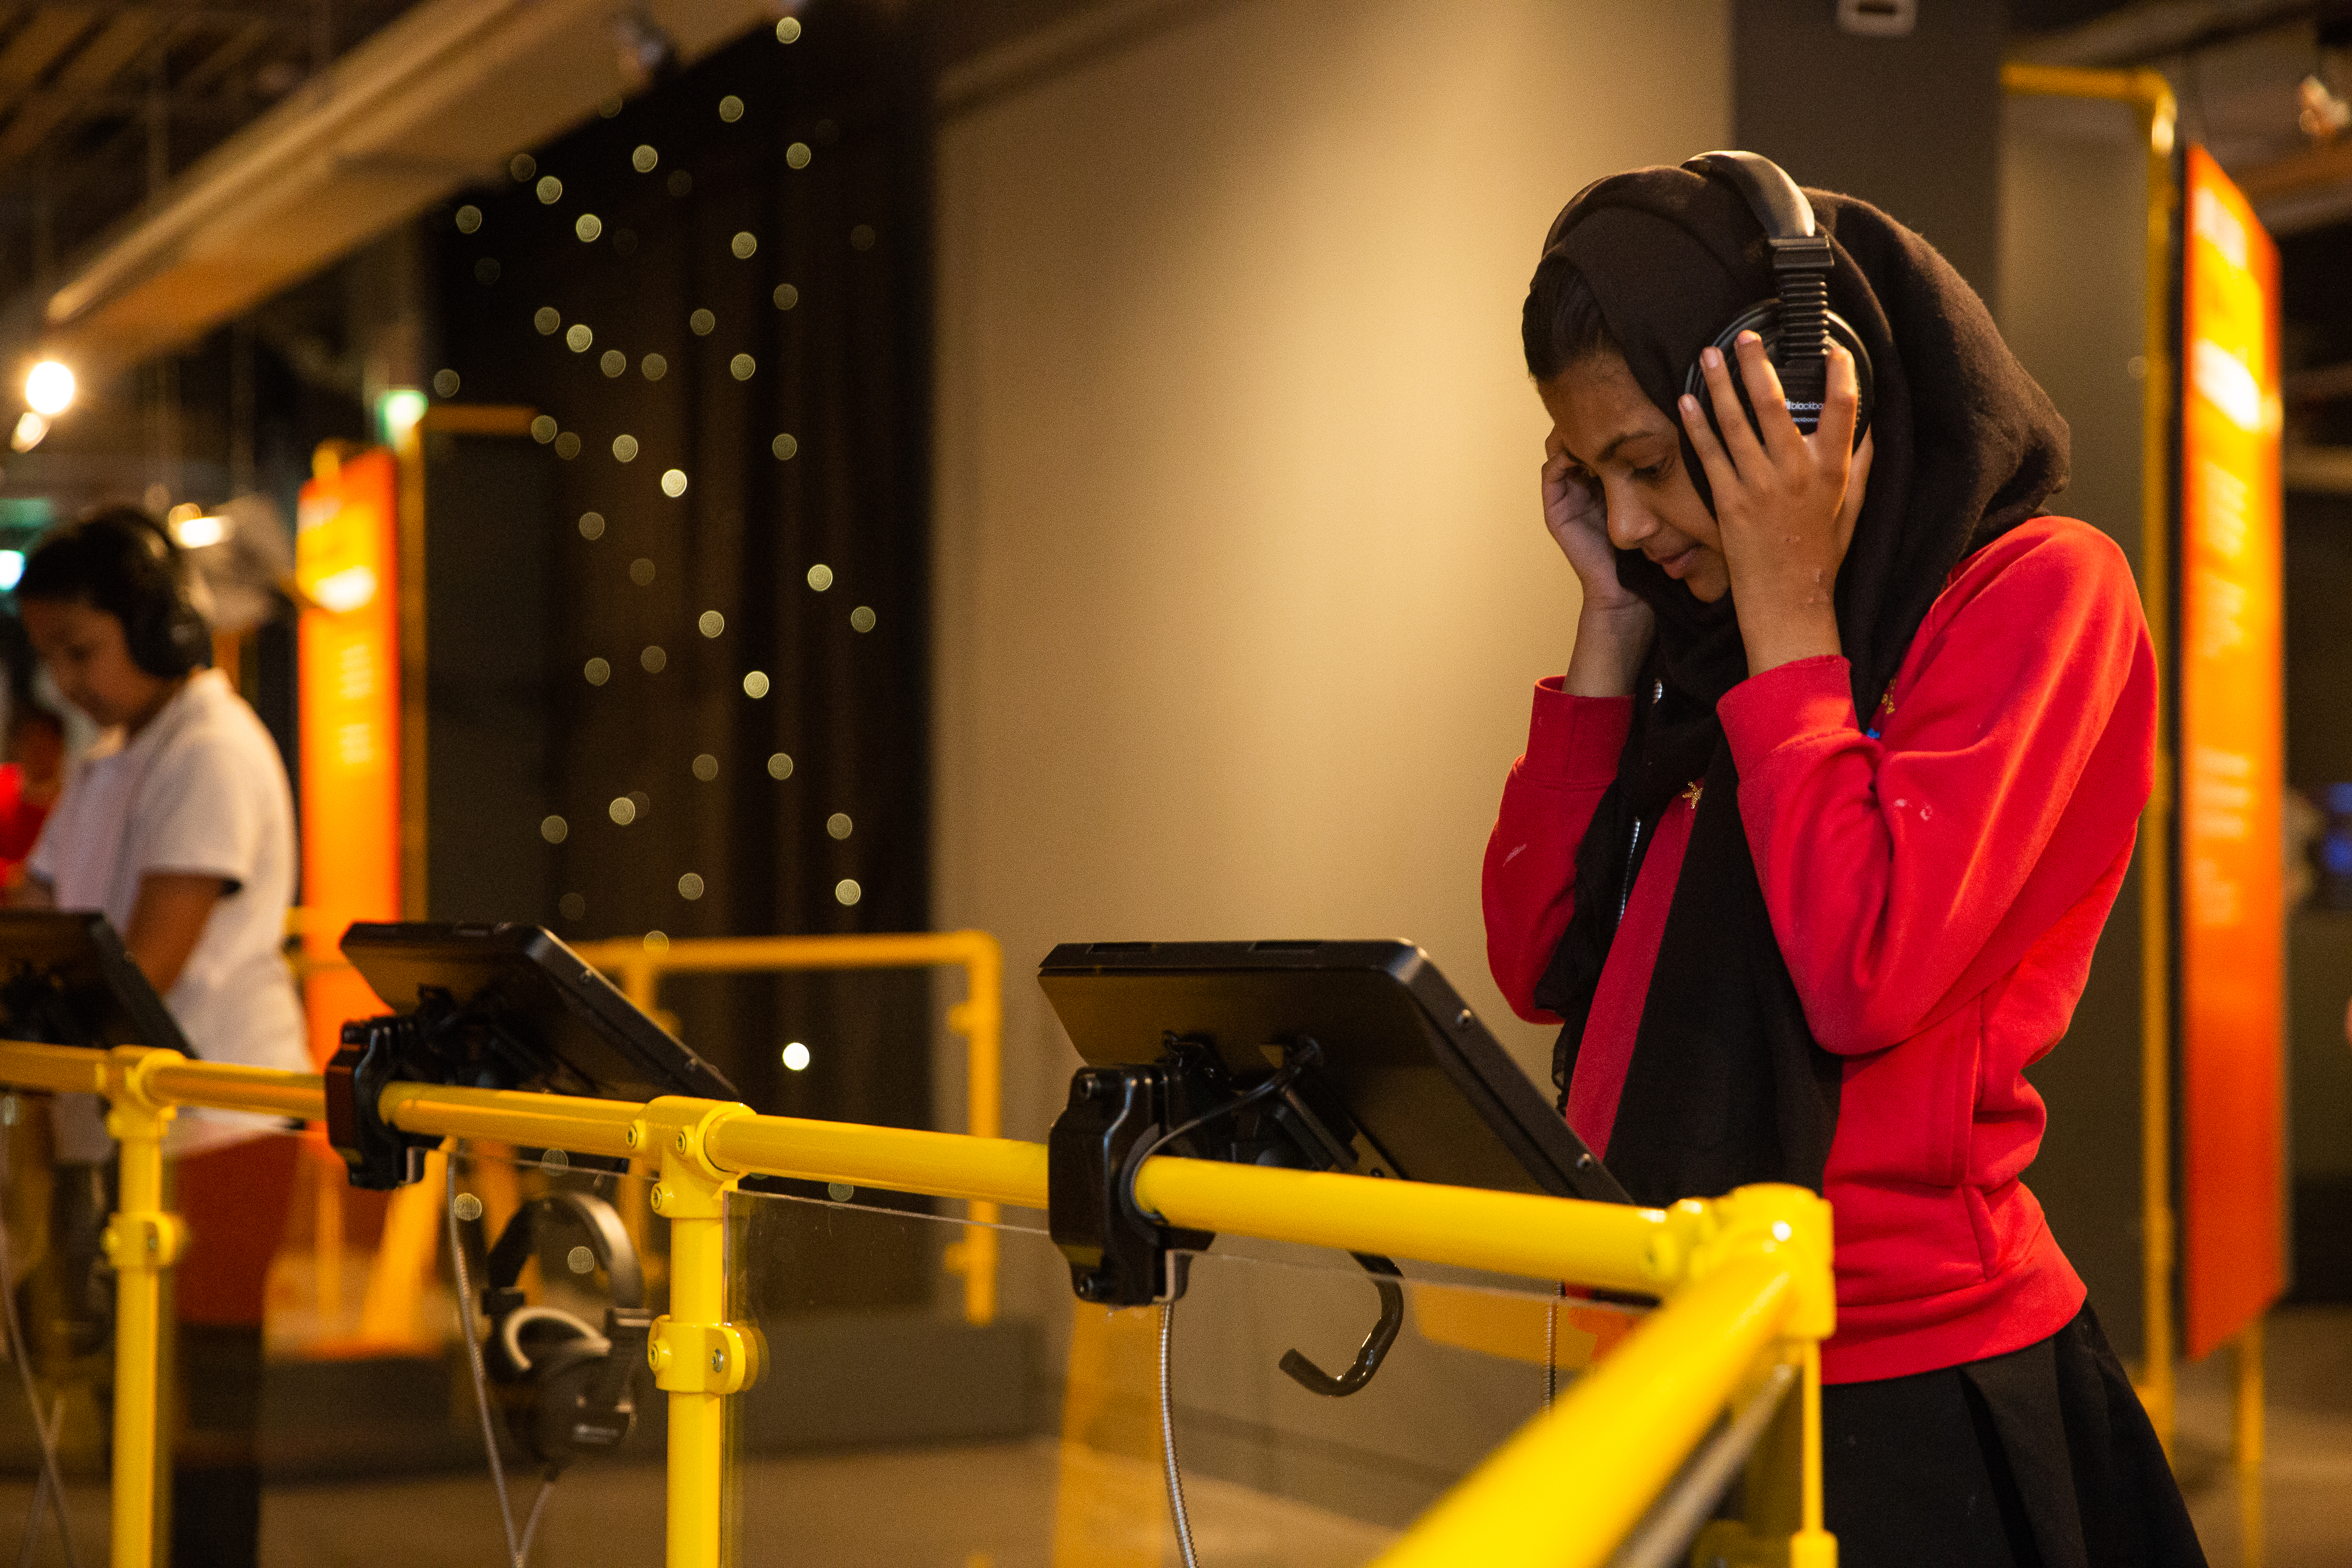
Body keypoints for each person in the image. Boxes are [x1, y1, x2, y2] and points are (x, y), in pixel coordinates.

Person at [1484, 159, 2203, 1567]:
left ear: (1800, 407)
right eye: (1594, 477)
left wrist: (1786, 610)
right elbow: (1538, 956)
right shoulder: (1701, 654)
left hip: (1904, 1381)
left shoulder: (2040, 595)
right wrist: (1611, 637)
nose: (1626, 526)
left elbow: (1861, 970)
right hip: (1677, 1343)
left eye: (1649, 466)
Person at [13, 505, 306, 1568]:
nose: (67, 682)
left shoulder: (214, 750)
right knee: (136, 1404)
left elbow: (148, 962)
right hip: (129, 1121)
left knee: (205, 1410)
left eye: (79, 650)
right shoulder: (115, 751)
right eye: (48, 656)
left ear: (158, 629)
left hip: (215, 1128)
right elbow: (37, 911)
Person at [0, 695, 65, 886]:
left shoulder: (69, 801)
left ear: (59, 746)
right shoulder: (3, 784)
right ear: (16, 744)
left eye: (45, 742)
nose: (37, 750)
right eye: (29, 741)